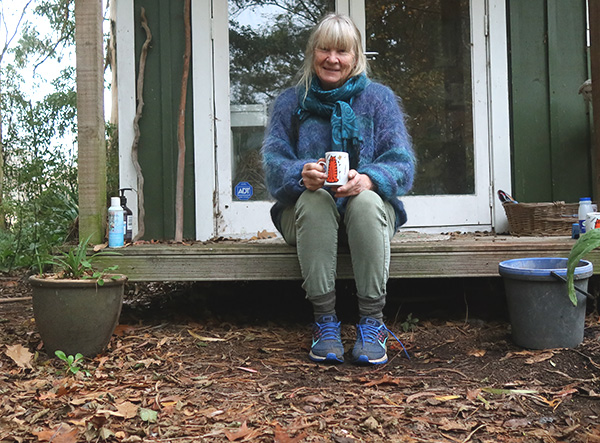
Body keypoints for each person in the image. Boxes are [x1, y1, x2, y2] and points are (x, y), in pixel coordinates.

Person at [262, 13, 416, 365]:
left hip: (366, 217)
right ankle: (324, 322)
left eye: (342, 51)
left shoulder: (378, 100)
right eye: (325, 49)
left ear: (355, 56)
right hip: (305, 216)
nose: (333, 59)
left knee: (365, 202)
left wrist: (371, 179)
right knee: (315, 200)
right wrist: (300, 175)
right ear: (312, 53)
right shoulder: (291, 102)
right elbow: (272, 163)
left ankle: (372, 323)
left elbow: (402, 162)